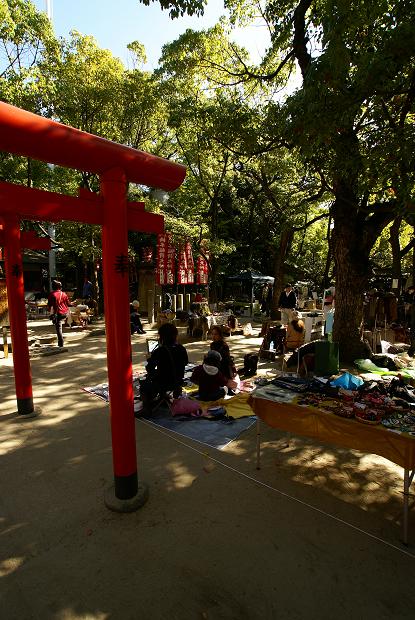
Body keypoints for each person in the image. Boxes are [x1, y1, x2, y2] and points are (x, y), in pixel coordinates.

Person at [139, 323, 188, 415]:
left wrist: (148, 360)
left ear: (161, 336)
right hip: (178, 381)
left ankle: (147, 408)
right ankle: (163, 397)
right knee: (160, 375)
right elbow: (185, 363)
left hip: (163, 383)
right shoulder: (181, 348)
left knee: (144, 385)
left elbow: (149, 369)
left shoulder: (159, 351)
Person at [47, 280, 71, 347]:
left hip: (58, 313)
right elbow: (68, 304)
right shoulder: (64, 294)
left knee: (59, 328)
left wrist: (50, 312)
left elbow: (49, 305)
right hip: (65, 313)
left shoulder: (52, 294)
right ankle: (60, 343)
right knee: (59, 326)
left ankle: (61, 344)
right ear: (60, 287)